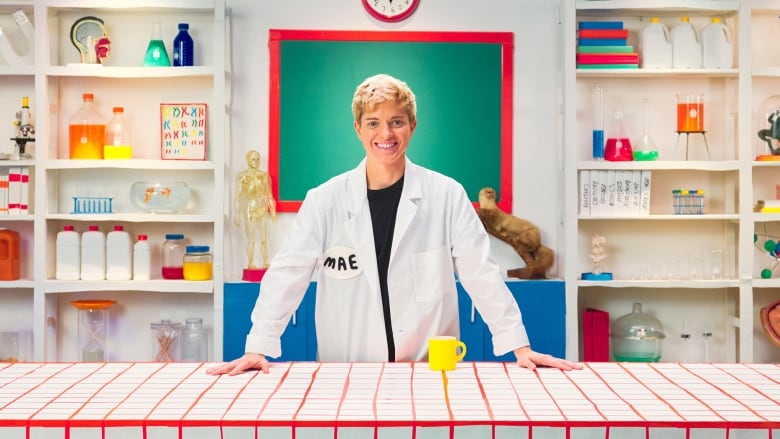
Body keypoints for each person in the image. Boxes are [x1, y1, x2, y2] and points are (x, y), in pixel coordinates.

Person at [207, 74, 581, 376]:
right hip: (346, 370)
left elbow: (480, 274)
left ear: (412, 126)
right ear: (357, 128)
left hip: (430, 370)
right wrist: (258, 345)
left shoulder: (446, 195)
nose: (385, 134)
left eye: (396, 122)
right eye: (374, 122)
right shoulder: (325, 200)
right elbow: (287, 275)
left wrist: (519, 345)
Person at [234, 150, 277, 269]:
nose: (256, 162)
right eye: (253, 159)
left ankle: (265, 262)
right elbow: (237, 197)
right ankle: (250, 263)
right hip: (250, 210)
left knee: (264, 238)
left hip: (262, 209)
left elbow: (269, 195)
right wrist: (237, 214)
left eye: (258, 159)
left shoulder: (264, 176)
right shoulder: (243, 177)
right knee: (251, 239)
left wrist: (273, 212)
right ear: (248, 160)